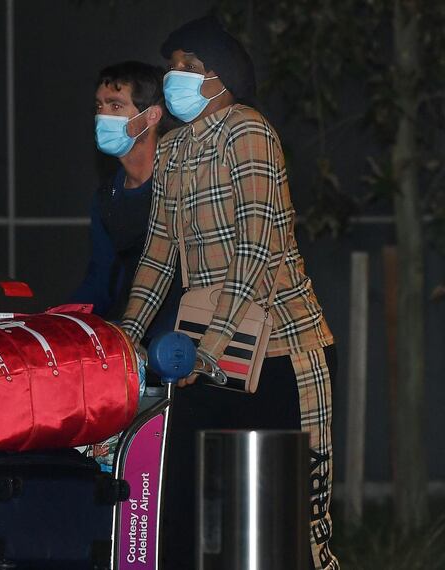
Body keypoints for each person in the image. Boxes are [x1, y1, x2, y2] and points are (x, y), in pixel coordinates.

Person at [119, 17, 338, 570]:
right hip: (207, 355)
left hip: (280, 354)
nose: (175, 77)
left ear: (224, 79)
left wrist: (211, 348)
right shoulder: (169, 151)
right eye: (172, 66)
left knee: (280, 536)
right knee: (199, 526)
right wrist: (126, 334)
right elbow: (157, 253)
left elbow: (255, 253)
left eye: (190, 67)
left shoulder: (248, 132)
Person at [72, 61, 182, 348]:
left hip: (177, 346)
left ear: (152, 115)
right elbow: (101, 278)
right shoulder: (107, 196)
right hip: (128, 340)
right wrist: (59, 322)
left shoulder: (182, 186)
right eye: (99, 107)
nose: (102, 116)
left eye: (116, 106)